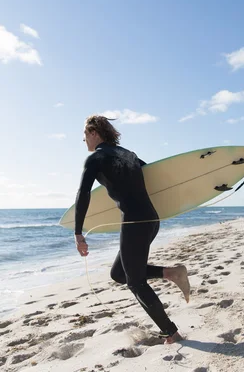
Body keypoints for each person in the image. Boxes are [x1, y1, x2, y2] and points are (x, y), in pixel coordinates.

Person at [74, 115, 189, 344]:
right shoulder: (129, 154)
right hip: (151, 219)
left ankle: (171, 333)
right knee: (119, 274)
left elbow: (83, 193)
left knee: (135, 282)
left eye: (84, 135)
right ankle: (171, 273)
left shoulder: (95, 158)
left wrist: (78, 232)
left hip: (134, 222)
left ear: (94, 132)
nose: (84, 141)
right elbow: (159, 178)